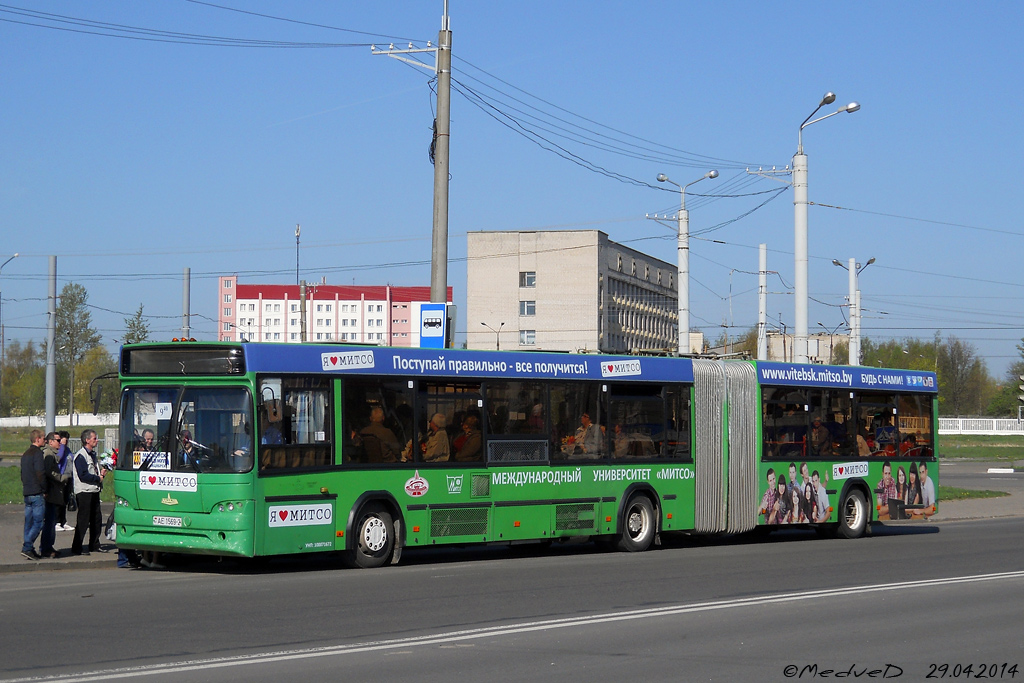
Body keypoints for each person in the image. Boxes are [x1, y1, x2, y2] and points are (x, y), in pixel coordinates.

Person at [71, 429, 109, 556]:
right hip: (84, 491)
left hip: (94, 490)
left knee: (96, 519)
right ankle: (77, 547)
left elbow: (92, 471)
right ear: (87, 440)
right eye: (94, 438)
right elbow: (83, 475)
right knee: (83, 520)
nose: (97, 441)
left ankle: (94, 544)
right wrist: (97, 478)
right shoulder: (80, 456)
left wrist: (101, 473)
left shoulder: (92, 455)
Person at [40, 432, 68, 559]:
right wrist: (62, 478)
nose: (60, 442)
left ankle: (48, 547)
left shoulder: (52, 454)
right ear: (50, 441)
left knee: (51, 521)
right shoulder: (48, 454)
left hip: (53, 492)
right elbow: (49, 472)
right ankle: (45, 548)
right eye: (58, 440)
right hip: (50, 493)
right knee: (49, 522)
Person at [20, 429, 46, 560]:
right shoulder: (37, 454)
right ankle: (27, 546)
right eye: (43, 438)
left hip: (27, 491)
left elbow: (22, 474)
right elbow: (40, 472)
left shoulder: (25, 454)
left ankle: (29, 549)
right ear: (37, 439)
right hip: (36, 492)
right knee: (39, 522)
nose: (45, 440)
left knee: (29, 522)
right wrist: (44, 488)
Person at [55, 431, 75, 532]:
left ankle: (63, 521)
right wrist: (61, 445)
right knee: (59, 501)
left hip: (69, 478)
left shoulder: (68, 450)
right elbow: (59, 458)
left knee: (65, 501)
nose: (65, 442)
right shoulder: (59, 449)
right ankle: (57, 522)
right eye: (64, 439)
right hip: (61, 478)